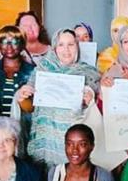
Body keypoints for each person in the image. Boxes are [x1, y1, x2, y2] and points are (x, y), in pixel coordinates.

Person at [22, 28, 101, 167]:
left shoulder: (87, 72)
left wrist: (90, 98)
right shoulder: (42, 70)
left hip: (73, 141)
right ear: (54, 48)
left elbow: (94, 96)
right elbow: (28, 107)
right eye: (61, 45)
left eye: (71, 44)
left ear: (77, 47)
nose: (66, 50)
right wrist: (24, 95)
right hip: (45, 140)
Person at [0, 25, 36, 118]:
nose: (9, 46)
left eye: (15, 42)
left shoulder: (33, 71)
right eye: (4, 42)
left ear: (22, 44)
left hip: (23, 128)